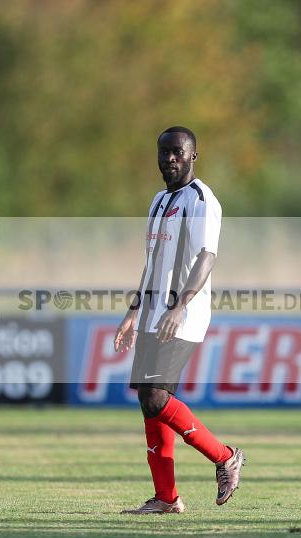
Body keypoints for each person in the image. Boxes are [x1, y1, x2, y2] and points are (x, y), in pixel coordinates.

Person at [114, 125, 245, 514]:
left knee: (156, 397)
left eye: (177, 152)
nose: (169, 159)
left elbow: (207, 256)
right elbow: (152, 264)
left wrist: (180, 305)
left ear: (193, 156)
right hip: (154, 314)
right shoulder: (158, 201)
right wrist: (133, 311)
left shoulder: (202, 199)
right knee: (148, 401)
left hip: (181, 315)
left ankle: (225, 457)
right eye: (163, 152)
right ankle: (166, 498)